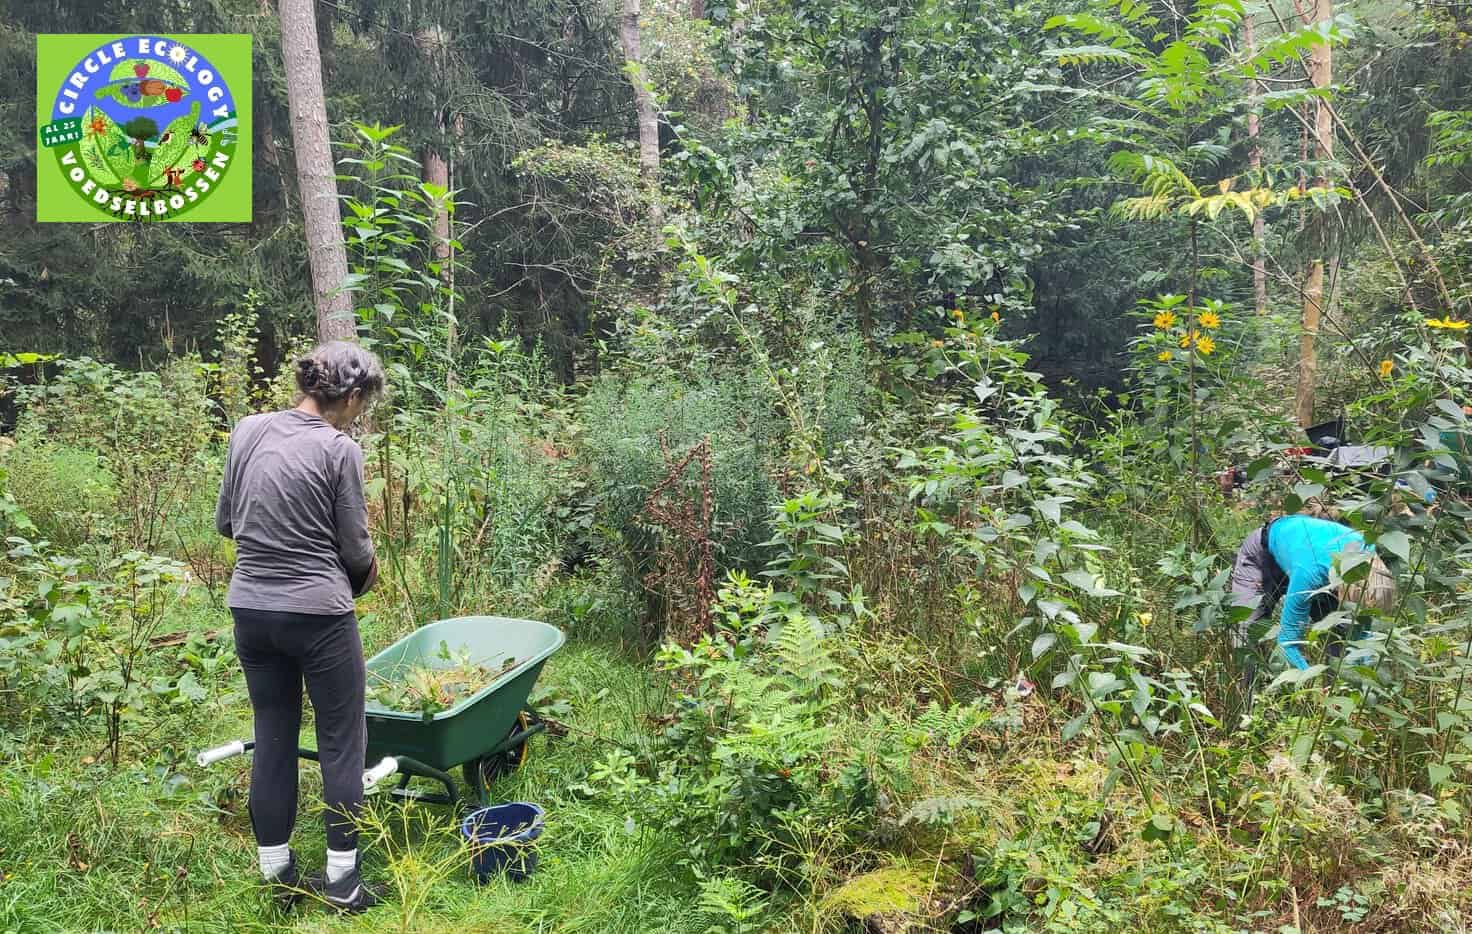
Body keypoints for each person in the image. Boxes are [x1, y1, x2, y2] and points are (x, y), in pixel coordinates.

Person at [215, 341, 385, 912]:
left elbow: (228, 522)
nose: (360, 415)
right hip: (319, 614)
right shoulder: (340, 449)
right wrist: (366, 576)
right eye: (363, 405)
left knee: (273, 734)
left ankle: (278, 878)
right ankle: (343, 882)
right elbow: (355, 549)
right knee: (341, 741)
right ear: (352, 396)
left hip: (252, 611)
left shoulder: (247, 429)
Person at [1229, 512, 1397, 673]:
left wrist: (1364, 669)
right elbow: (1287, 643)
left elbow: (1362, 635)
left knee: (1340, 634)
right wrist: (1307, 679)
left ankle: (1335, 696)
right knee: (1247, 633)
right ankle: (1246, 695)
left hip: (1307, 556)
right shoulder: (1310, 573)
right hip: (1263, 554)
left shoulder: (1370, 556)